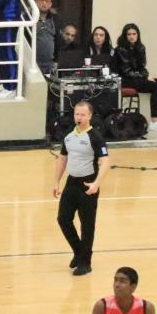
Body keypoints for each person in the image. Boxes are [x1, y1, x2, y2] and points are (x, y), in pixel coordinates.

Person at [52, 99, 107, 276]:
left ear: (90, 116)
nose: (79, 117)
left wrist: (97, 183)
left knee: (87, 224)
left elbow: (105, 161)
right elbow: (62, 158)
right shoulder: (69, 136)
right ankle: (78, 251)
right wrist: (56, 182)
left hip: (88, 184)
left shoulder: (95, 137)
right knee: (63, 219)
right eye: (77, 114)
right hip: (71, 183)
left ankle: (86, 262)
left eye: (83, 114)